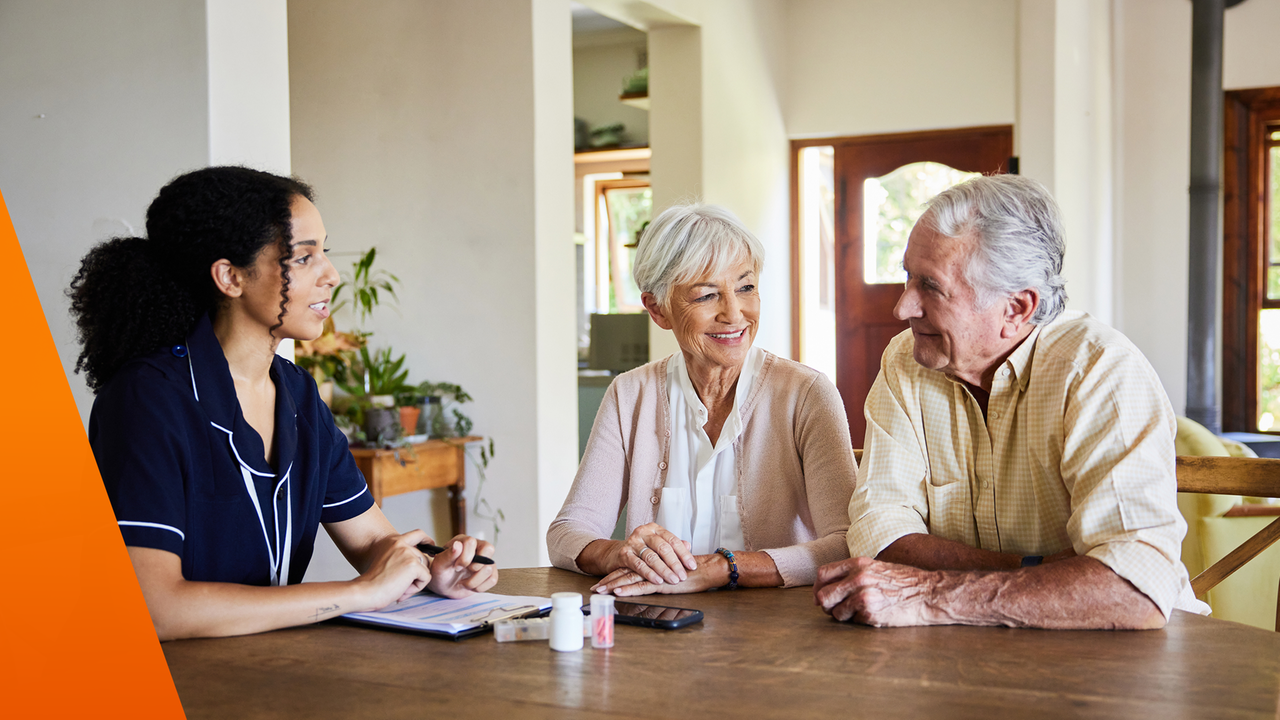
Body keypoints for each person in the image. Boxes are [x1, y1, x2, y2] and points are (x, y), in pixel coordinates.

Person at [70, 166, 497, 640]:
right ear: (230, 277)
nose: (331, 276)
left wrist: (429, 570)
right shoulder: (146, 400)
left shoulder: (296, 393)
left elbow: (373, 541)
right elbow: (153, 607)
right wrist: (361, 592)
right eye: (304, 258)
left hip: (273, 676)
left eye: (325, 253)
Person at [814, 174, 1210, 629]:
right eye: (907, 275)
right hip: (969, 648)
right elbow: (877, 534)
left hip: (1127, 659)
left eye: (931, 286)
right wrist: (1045, 576)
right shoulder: (906, 361)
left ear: (1017, 309)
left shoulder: (1099, 370)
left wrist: (932, 592)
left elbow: (1133, 588)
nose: (903, 307)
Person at [548, 203, 857, 596]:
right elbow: (566, 533)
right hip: (660, 627)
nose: (734, 313)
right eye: (707, 295)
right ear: (658, 310)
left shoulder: (806, 393)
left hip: (781, 633)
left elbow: (847, 541)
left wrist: (722, 568)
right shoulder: (630, 394)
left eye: (746, 288)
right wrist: (622, 554)